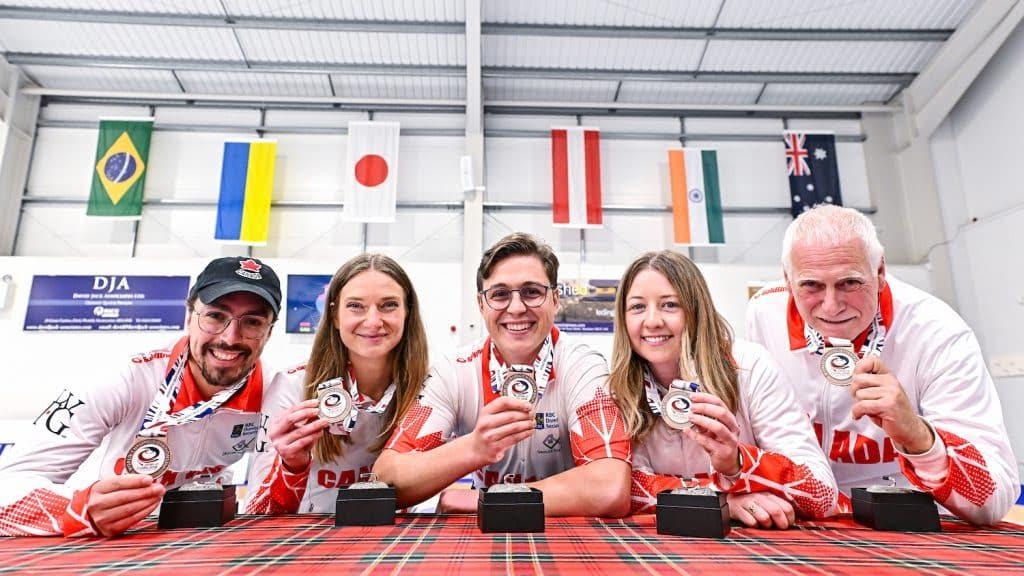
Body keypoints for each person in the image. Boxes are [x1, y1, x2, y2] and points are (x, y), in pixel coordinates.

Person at [746, 204, 1019, 525]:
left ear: (879, 273)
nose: (832, 306)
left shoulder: (937, 330)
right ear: (787, 279)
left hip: (914, 520)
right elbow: (754, 438)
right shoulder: (765, 313)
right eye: (811, 285)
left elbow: (995, 500)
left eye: (850, 283)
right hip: (804, 515)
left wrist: (918, 437)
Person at [0, 256, 281, 537]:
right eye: (215, 316)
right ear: (188, 316)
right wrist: (77, 509)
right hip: (106, 538)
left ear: (268, 333)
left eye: (252, 322)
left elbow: (271, 504)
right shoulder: (124, 376)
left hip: (202, 535)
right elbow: (7, 484)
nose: (230, 338)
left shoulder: (275, 391)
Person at [373, 233, 632, 517]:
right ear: (481, 305)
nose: (517, 307)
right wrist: (473, 448)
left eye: (532, 291)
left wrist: (485, 501)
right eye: (499, 294)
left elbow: (610, 488)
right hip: (488, 538)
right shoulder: (453, 370)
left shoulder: (582, 365)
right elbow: (385, 479)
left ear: (555, 299)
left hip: (561, 536)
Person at [610, 251, 837, 528]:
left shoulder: (750, 366)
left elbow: (822, 494)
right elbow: (624, 490)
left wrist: (737, 462)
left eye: (670, 305)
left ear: (696, 310)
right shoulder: (618, 388)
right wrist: (723, 502)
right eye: (637, 307)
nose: (653, 320)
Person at [245, 254, 428, 514]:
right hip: (313, 540)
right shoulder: (292, 386)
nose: (374, 321)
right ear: (334, 316)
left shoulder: (428, 387)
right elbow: (257, 511)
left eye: (389, 305)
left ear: (408, 313)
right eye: (356, 306)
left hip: (393, 540)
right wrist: (291, 466)